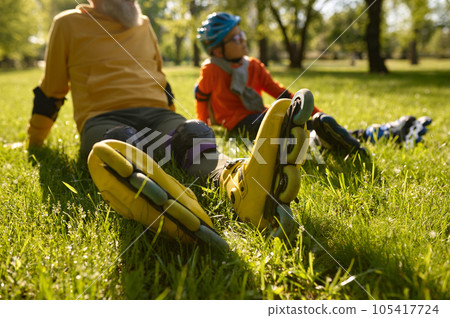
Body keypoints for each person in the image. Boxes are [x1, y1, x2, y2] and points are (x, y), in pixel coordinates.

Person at [26, 0, 314, 250]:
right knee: (115, 147)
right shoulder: (67, 23)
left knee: (193, 136)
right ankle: (174, 208)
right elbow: (51, 92)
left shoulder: (144, 23)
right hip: (104, 117)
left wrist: (176, 126)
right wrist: (35, 143)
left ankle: (240, 185)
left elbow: (160, 79)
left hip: (158, 113)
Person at [195, 12, 431, 155]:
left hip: (263, 115)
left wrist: (315, 112)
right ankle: (373, 134)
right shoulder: (212, 70)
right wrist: (204, 129)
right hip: (241, 124)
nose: (243, 41)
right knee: (285, 134)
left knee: (302, 126)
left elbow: (280, 92)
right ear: (217, 49)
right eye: (236, 39)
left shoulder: (254, 65)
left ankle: (381, 133)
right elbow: (201, 97)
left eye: (242, 35)